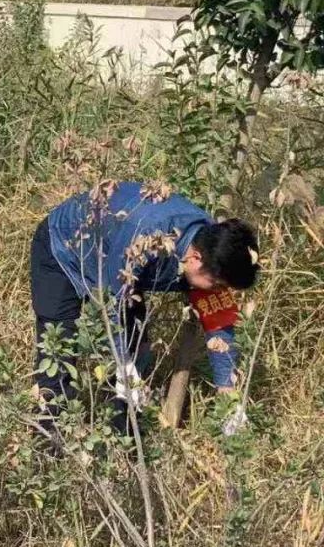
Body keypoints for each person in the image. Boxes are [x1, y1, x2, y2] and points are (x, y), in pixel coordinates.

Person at [31, 181, 259, 443]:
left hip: (120, 271)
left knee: (138, 350)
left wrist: (227, 394)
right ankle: (48, 447)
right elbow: (111, 304)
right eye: (218, 285)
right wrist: (124, 367)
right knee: (57, 350)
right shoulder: (145, 235)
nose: (219, 291)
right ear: (195, 259)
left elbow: (219, 323)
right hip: (64, 249)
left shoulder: (211, 251)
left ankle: (123, 443)